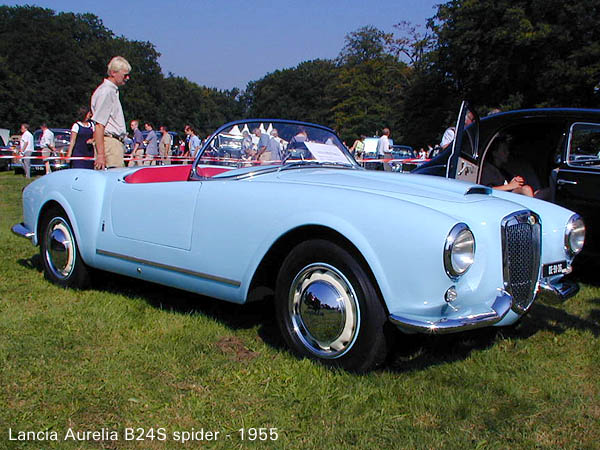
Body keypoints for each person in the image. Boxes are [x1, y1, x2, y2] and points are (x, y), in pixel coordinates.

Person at [91, 56, 131, 170]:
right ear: (113, 72)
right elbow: (99, 124)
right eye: (125, 75)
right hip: (110, 144)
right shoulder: (106, 92)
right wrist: (101, 155)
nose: (127, 78)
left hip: (112, 143)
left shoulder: (111, 91)